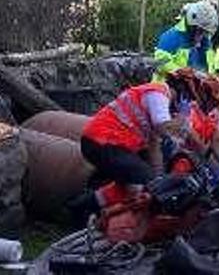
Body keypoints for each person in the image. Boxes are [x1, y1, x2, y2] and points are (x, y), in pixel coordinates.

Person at [73, 69, 210, 221]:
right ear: (183, 91)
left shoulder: (158, 103)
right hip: (103, 141)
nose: (188, 105)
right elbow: (163, 127)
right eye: (189, 99)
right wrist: (183, 122)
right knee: (144, 182)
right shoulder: (158, 94)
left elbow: (154, 146)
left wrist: (160, 178)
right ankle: (128, 221)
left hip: (107, 144)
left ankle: (78, 209)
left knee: (139, 183)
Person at [154, 0, 218, 81]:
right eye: (199, 30)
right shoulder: (171, 37)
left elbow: (210, 65)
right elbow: (160, 62)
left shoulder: (205, 42)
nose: (201, 36)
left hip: (192, 88)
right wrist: (183, 72)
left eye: (205, 31)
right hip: (165, 87)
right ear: (191, 25)